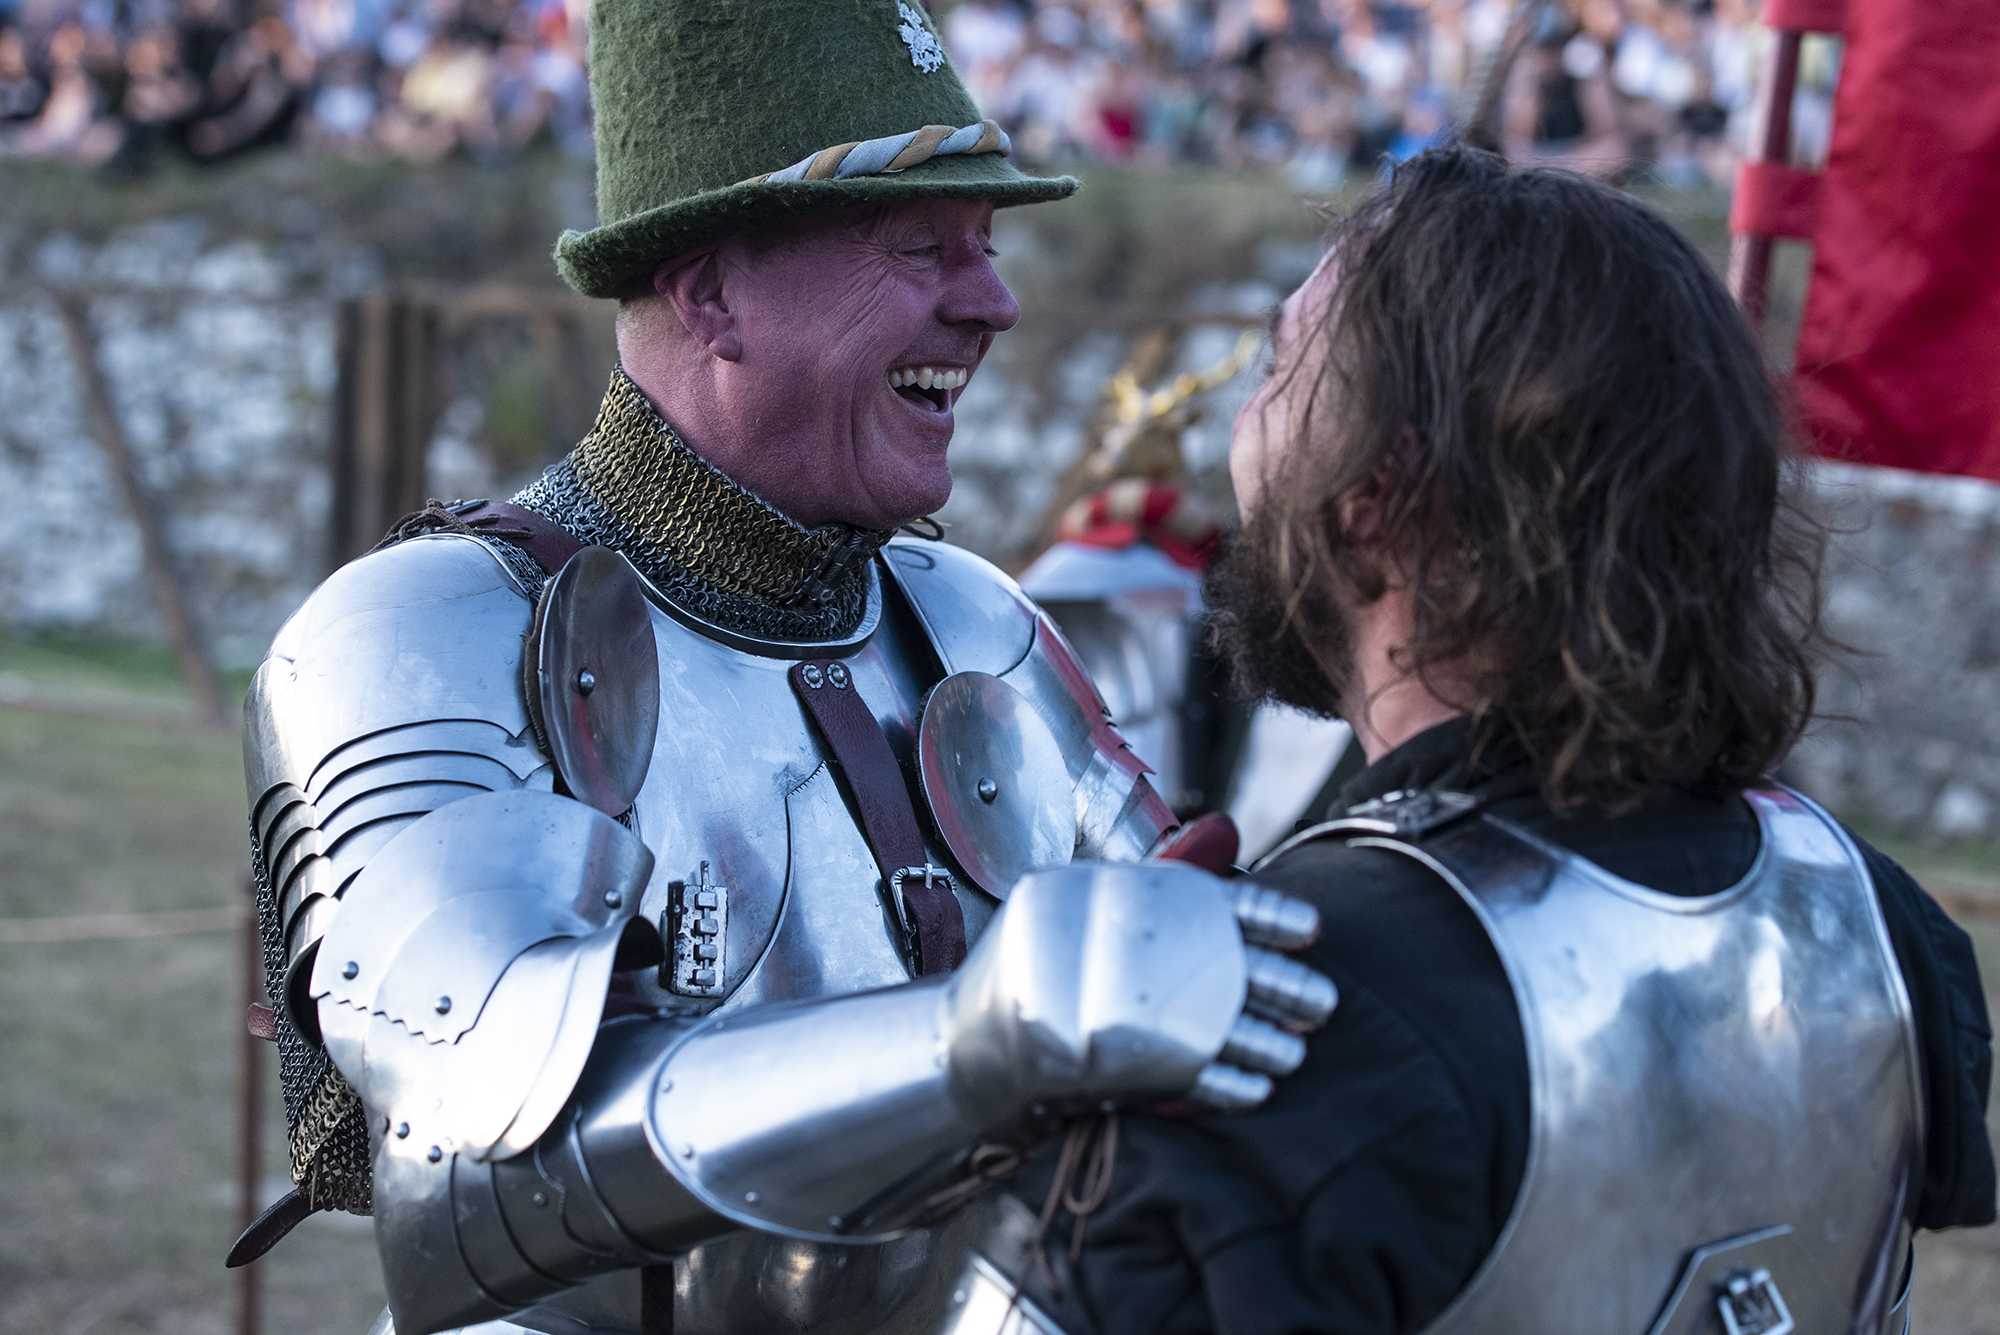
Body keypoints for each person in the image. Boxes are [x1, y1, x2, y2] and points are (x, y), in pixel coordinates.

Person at [235, 4, 1338, 1334]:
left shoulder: (973, 625)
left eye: (985, 249)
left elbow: (1178, 980)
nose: (993, 302)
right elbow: (477, 1167)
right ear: (711, 293)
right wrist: (980, 1033)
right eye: (924, 249)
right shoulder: (425, 635)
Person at [961, 145, 1996, 1335]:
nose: (1237, 438)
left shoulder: (1277, 1023)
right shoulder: (1875, 923)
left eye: (1277, 368)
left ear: (1374, 491)